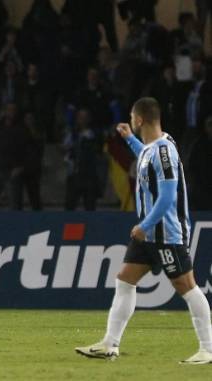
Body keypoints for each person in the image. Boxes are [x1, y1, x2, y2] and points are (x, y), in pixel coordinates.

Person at [75, 97, 212, 364]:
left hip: (165, 233)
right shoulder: (153, 147)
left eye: (131, 118)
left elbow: (168, 196)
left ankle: (208, 348)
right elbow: (147, 161)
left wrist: (144, 225)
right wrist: (129, 140)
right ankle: (110, 344)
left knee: (187, 286)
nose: (131, 122)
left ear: (139, 119)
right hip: (149, 234)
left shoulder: (164, 151)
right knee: (125, 281)